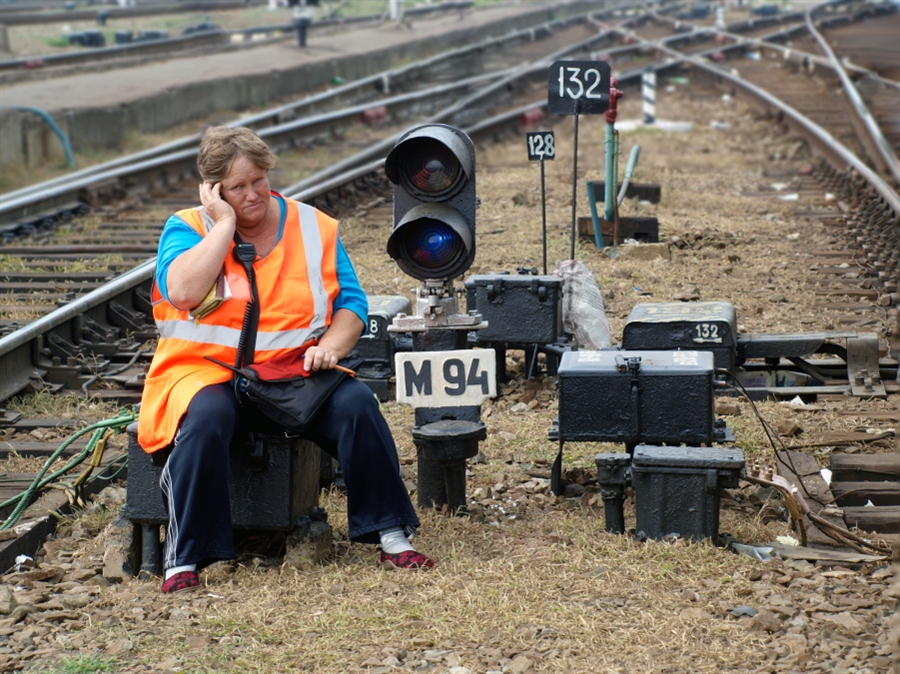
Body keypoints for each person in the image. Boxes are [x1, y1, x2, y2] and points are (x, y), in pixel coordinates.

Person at [137, 126, 433, 594]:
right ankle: (186, 556)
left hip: (295, 373)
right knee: (205, 421)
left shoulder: (314, 227)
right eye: (237, 187)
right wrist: (224, 227)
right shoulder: (187, 228)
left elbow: (352, 305)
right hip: (208, 375)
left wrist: (331, 348)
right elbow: (184, 292)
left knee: (357, 404)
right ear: (214, 191)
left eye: (259, 180)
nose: (253, 194)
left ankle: (391, 532)